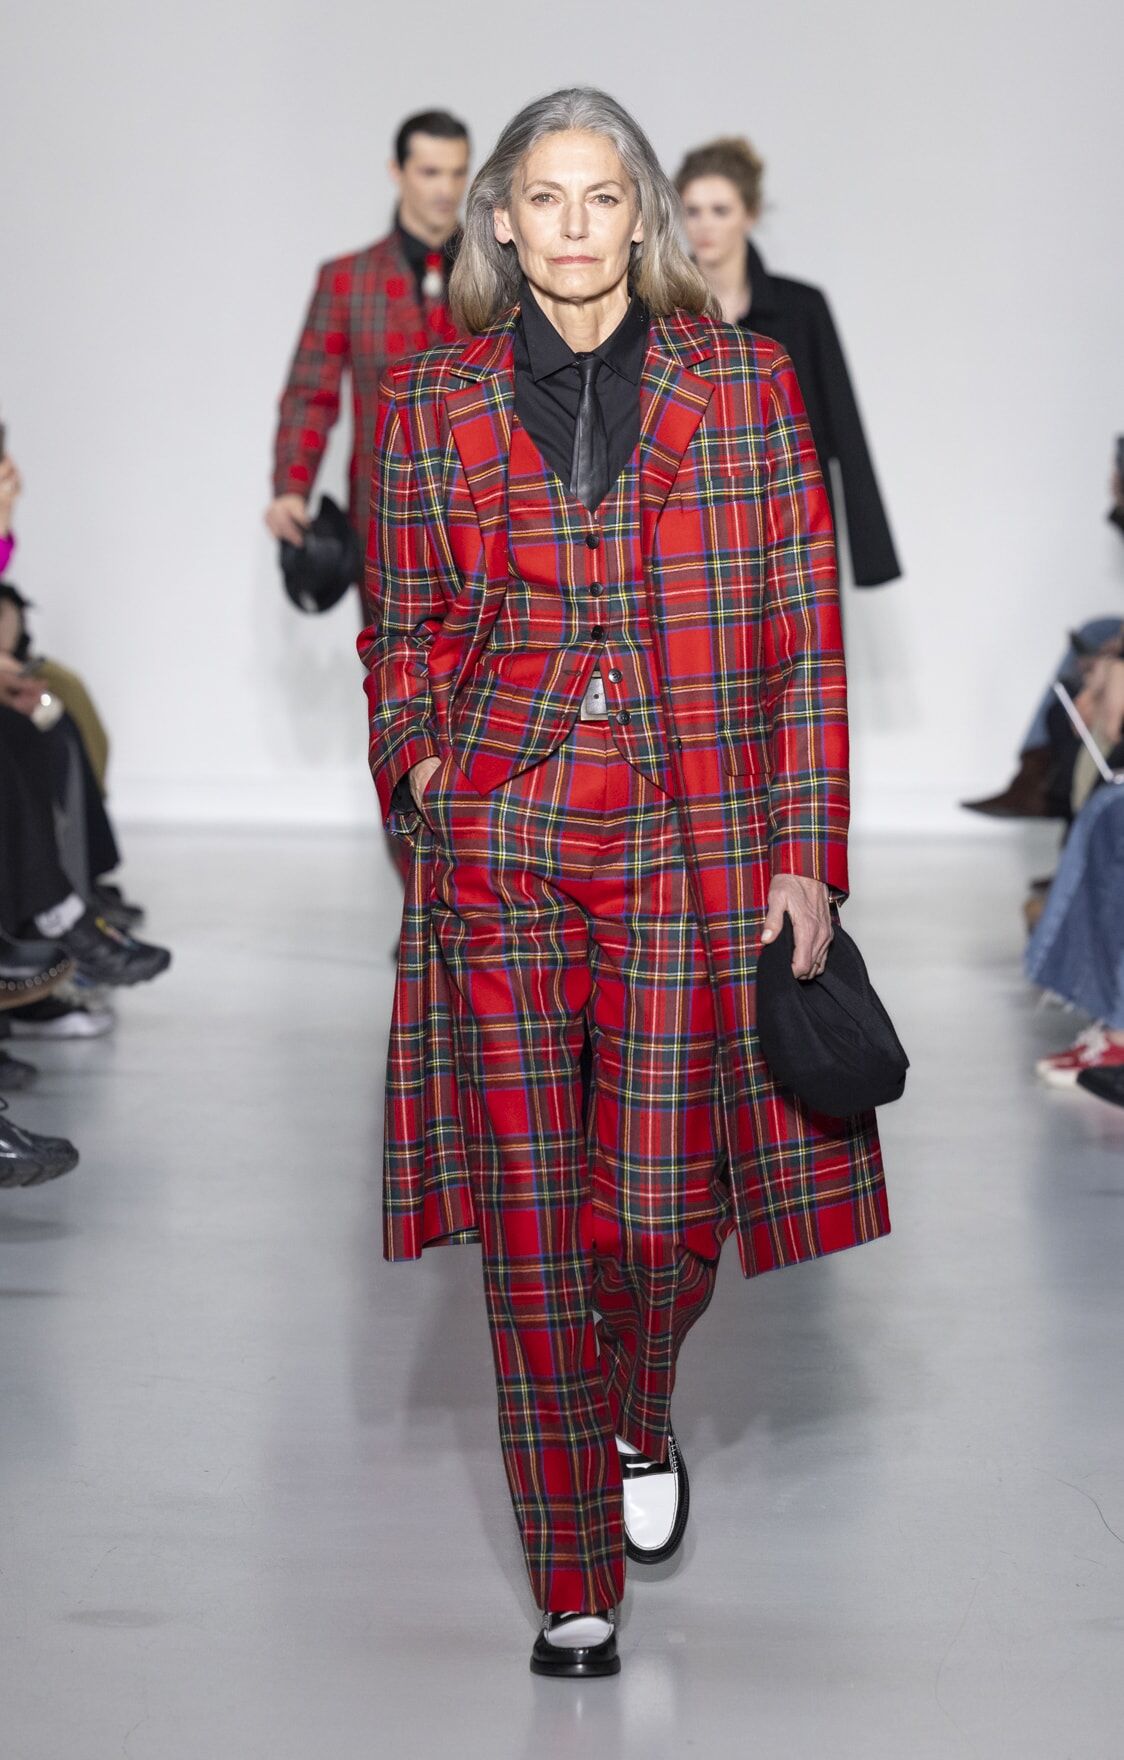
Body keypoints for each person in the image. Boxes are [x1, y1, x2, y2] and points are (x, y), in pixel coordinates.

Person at [359, 87, 888, 1678]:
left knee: (654, 1223)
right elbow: (400, 630)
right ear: (499, 220)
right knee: (533, 1221)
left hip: (684, 837)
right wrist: (426, 774)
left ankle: (638, 1407)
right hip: (503, 836)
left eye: (604, 196)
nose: (576, 225)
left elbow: (805, 631)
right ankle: (572, 1578)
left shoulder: (747, 383)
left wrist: (807, 851)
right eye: (547, 197)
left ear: (640, 214)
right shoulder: (431, 399)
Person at [674, 135, 901, 589]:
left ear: (751, 214)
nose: (704, 225)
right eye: (692, 211)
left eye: (720, 210)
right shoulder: (661, 312)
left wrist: (871, 556)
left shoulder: (802, 309)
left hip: (789, 517)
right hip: (691, 520)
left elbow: (842, 426)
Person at [265, 110, 470, 556]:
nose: (446, 189)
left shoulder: (497, 277)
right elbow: (310, 394)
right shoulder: (347, 279)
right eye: (430, 172)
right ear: (397, 171)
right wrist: (291, 488)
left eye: (458, 173)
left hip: (479, 513)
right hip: (382, 514)